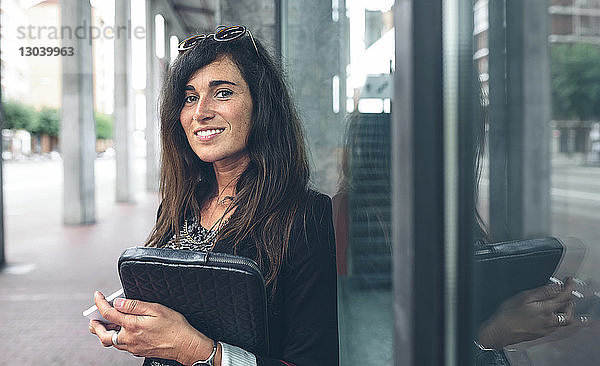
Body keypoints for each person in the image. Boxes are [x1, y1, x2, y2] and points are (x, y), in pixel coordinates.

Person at [89, 25, 339, 366]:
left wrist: (198, 352)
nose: (200, 112)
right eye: (190, 97)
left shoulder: (305, 215)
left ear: (260, 105)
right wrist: (131, 317)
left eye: (222, 92)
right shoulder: (178, 206)